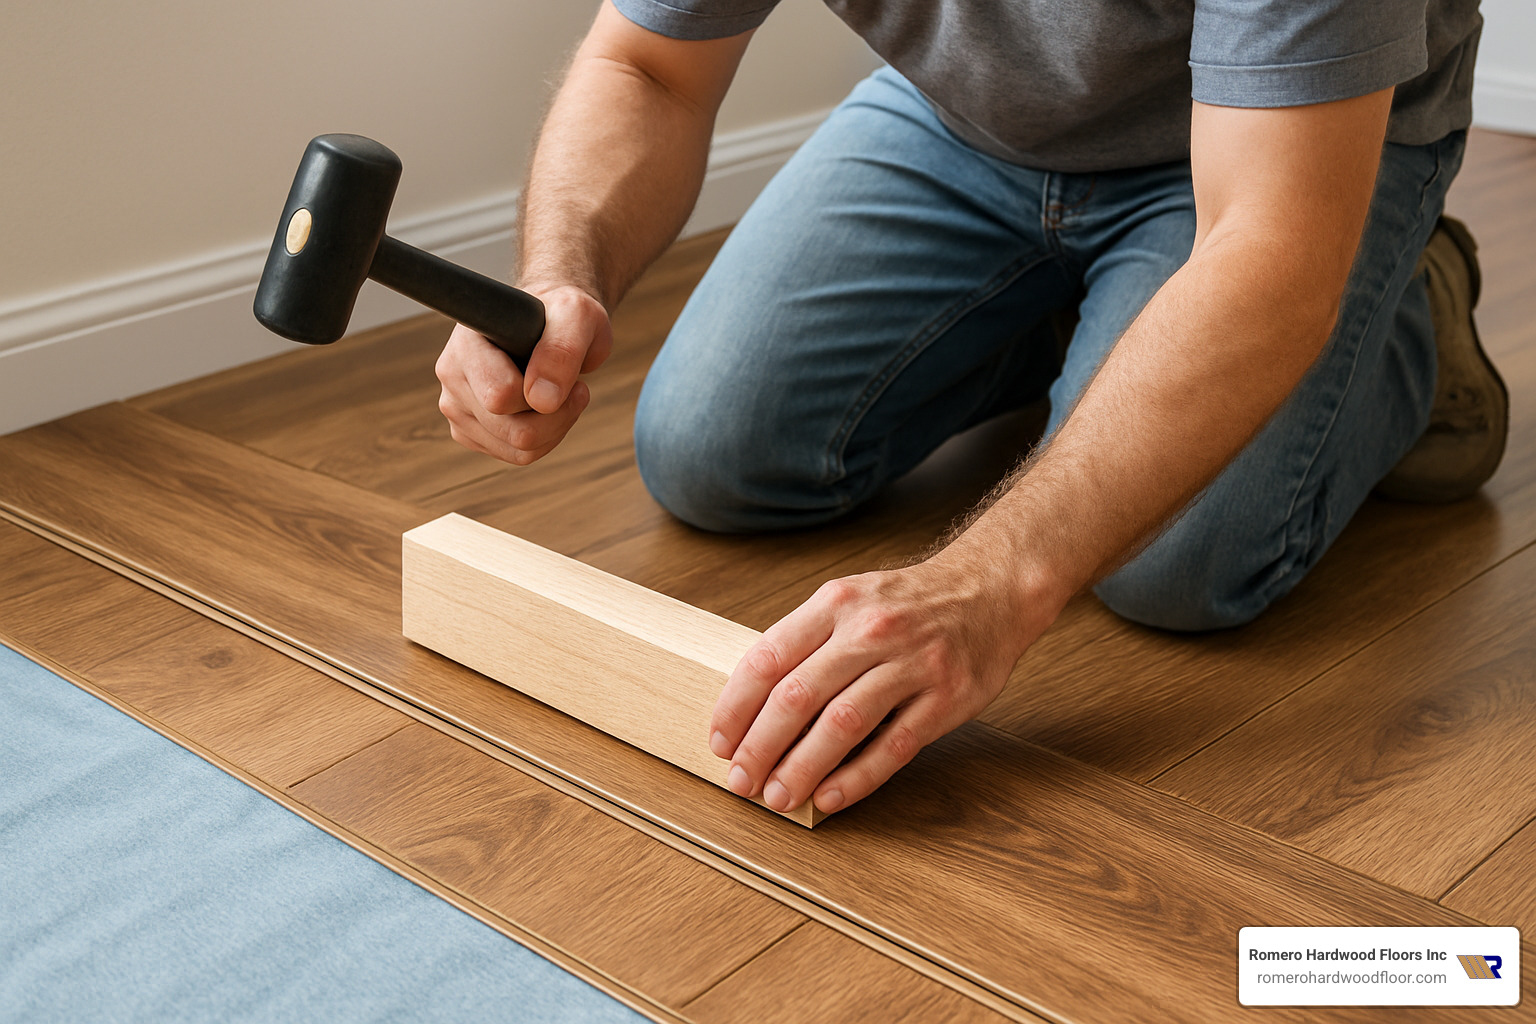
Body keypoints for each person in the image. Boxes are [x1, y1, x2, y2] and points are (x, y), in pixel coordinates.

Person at [435, 0, 1508, 817]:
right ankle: (1094, 329)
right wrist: (555, 273)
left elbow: (1269, 254)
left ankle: (1402, 310)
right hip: (969, 124)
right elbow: (647, 67)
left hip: (1270, 155)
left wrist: (985, 587)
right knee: (709, 449)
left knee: (1175, 562)